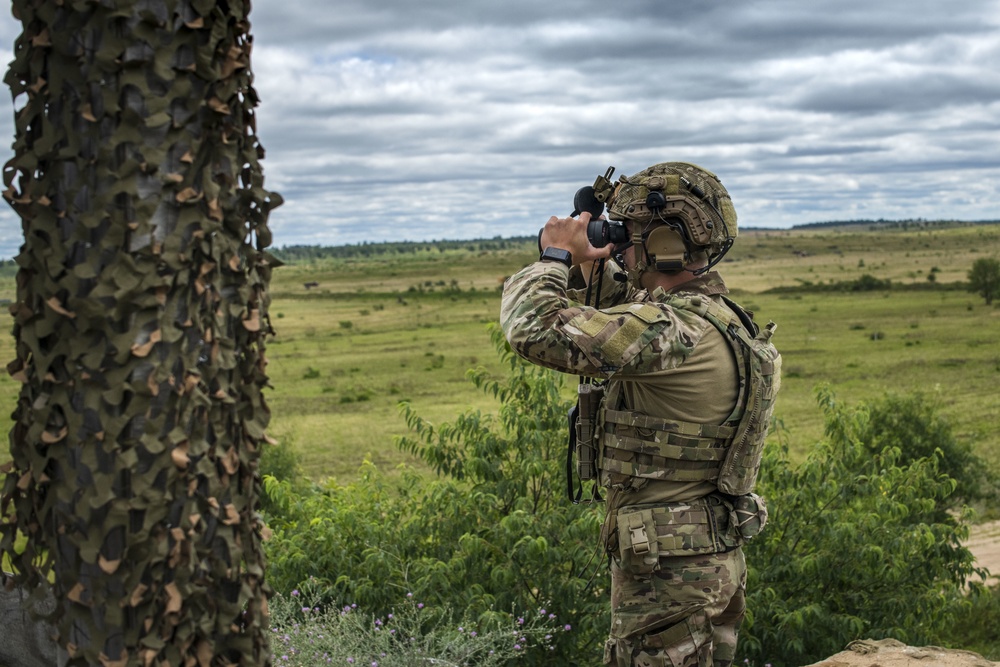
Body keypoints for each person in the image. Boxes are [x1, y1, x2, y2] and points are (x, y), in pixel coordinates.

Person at [500, 162, 781, 667]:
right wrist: (591, 254)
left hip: (668, 577)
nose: (623, 246)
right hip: (701, 554)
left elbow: (533, 328)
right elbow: (623, 306)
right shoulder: (714, 317)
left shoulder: (672, 331)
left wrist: (554, 256)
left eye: (629, 236)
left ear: (666, 243)